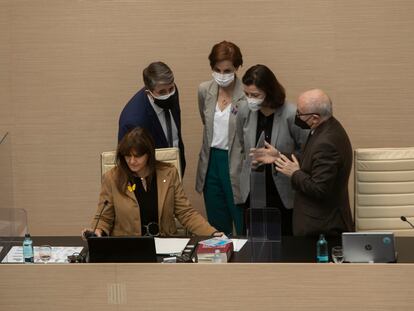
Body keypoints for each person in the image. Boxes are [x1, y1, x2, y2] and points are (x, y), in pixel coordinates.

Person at [252, 89, 354, 236]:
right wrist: (279, 156)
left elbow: (320, 189)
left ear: (314, 118)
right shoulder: (326, 127)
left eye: (300, 113)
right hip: (318, 222)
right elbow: (310, 160)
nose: (297, 117)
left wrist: (295, 173)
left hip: (321, 228)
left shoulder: (327, 143)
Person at [83, 127, 218, 237]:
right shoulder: (112, 178)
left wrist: (212, 234)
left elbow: (186, 213)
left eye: (137, 156)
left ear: (149, 154)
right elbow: (104, 218)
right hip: (128, 249)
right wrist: (97, 231)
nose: (131, 161)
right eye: (127, 156)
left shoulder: (168, 173)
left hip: (164, 245)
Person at [237, 64, 308, 236]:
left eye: (255, 95)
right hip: (253, 188)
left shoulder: (291, 114)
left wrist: (279, 157)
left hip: (282, 190)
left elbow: (306, 150)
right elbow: (240, 144)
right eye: (246, 94)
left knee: (283, 242)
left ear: (269, 92)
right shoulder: (244, 110)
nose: (250, 99)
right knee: (256, 240)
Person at [195, 41, 247, 236]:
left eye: (228, 70)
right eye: (217, 69)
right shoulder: (204, 90)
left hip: (236, 162)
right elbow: (206, 122)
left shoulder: (246, 93)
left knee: (242, 222)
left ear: (237, 67)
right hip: (211, 163)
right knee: (217, 225)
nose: (222, 75)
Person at [118, 61, 186, 175]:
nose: (168, 94)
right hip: (151, 176)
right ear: (149, 93)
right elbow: (130, 164)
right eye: (162, 92)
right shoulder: (133, 120)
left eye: (171, 89)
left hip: (176, 166)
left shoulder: (172, 91)